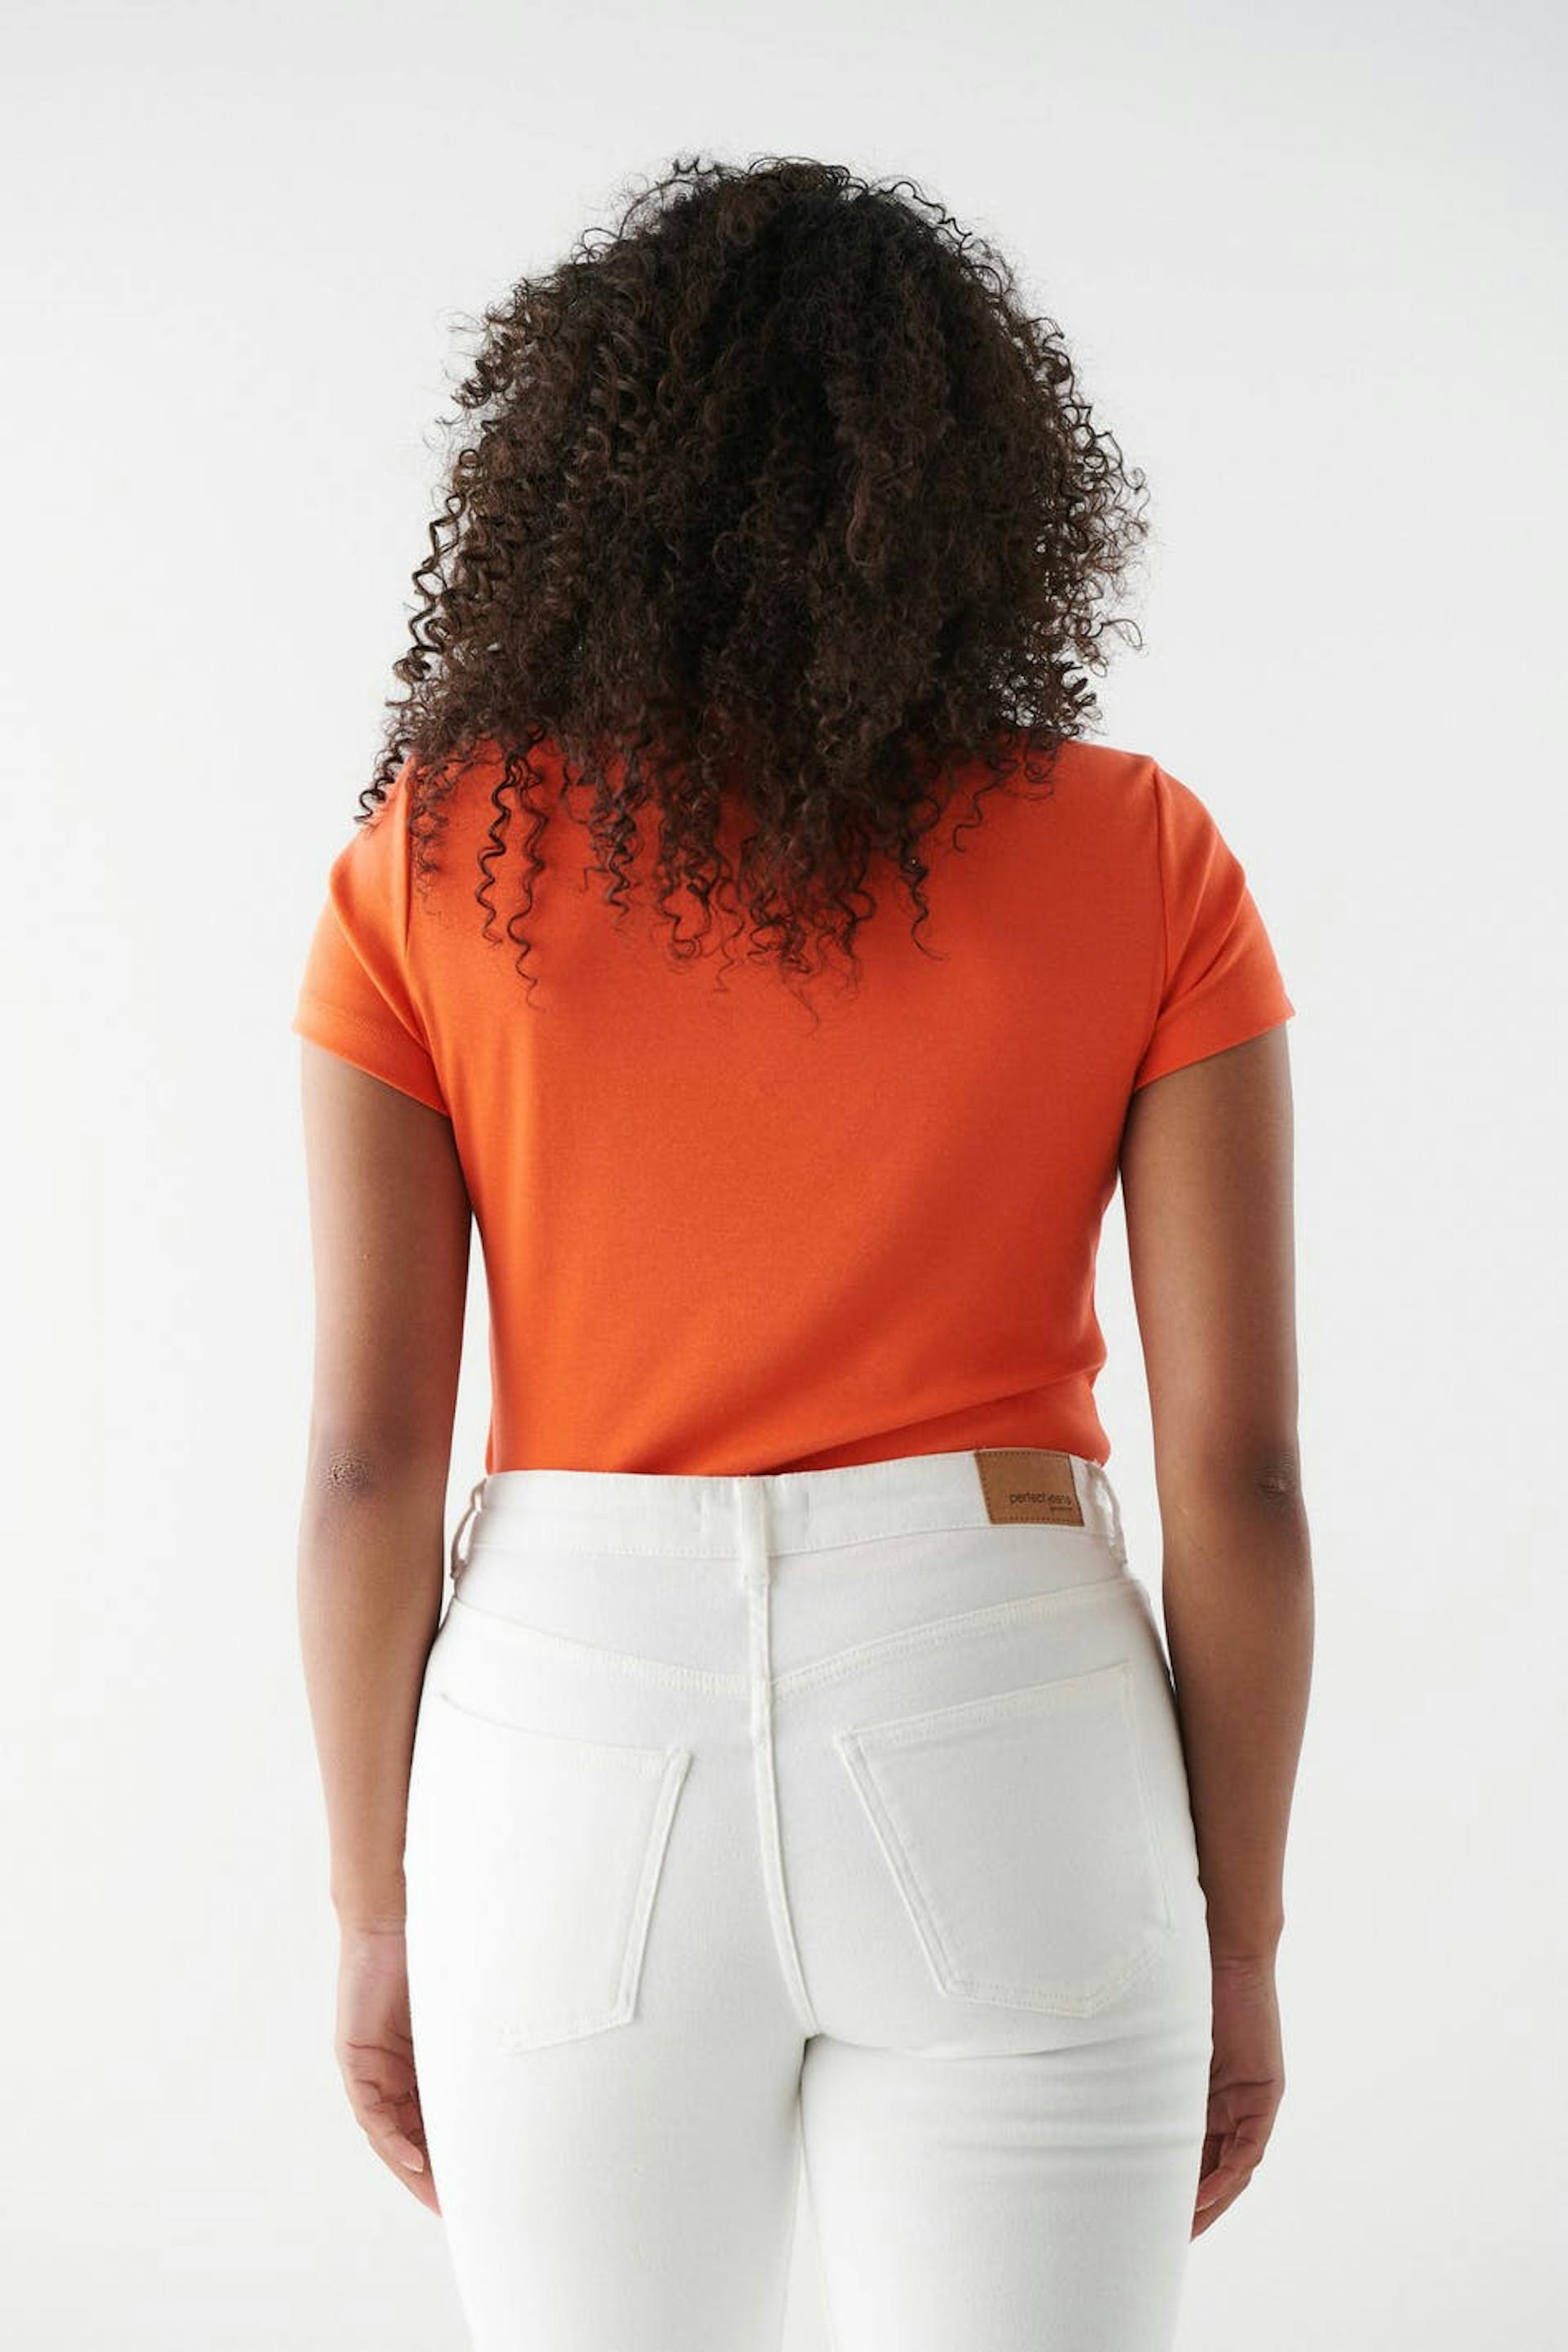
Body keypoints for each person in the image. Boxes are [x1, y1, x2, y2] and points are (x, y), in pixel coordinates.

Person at [292, 154, 1313, 2352]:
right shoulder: (1141, 852)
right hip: (1006, 1704)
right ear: (978, 489)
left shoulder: (433, 866)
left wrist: (378, 1909)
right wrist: (1237, 1935)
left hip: (568, 1726)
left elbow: (369, 1465)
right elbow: (1239, 1479)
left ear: (577, 482)